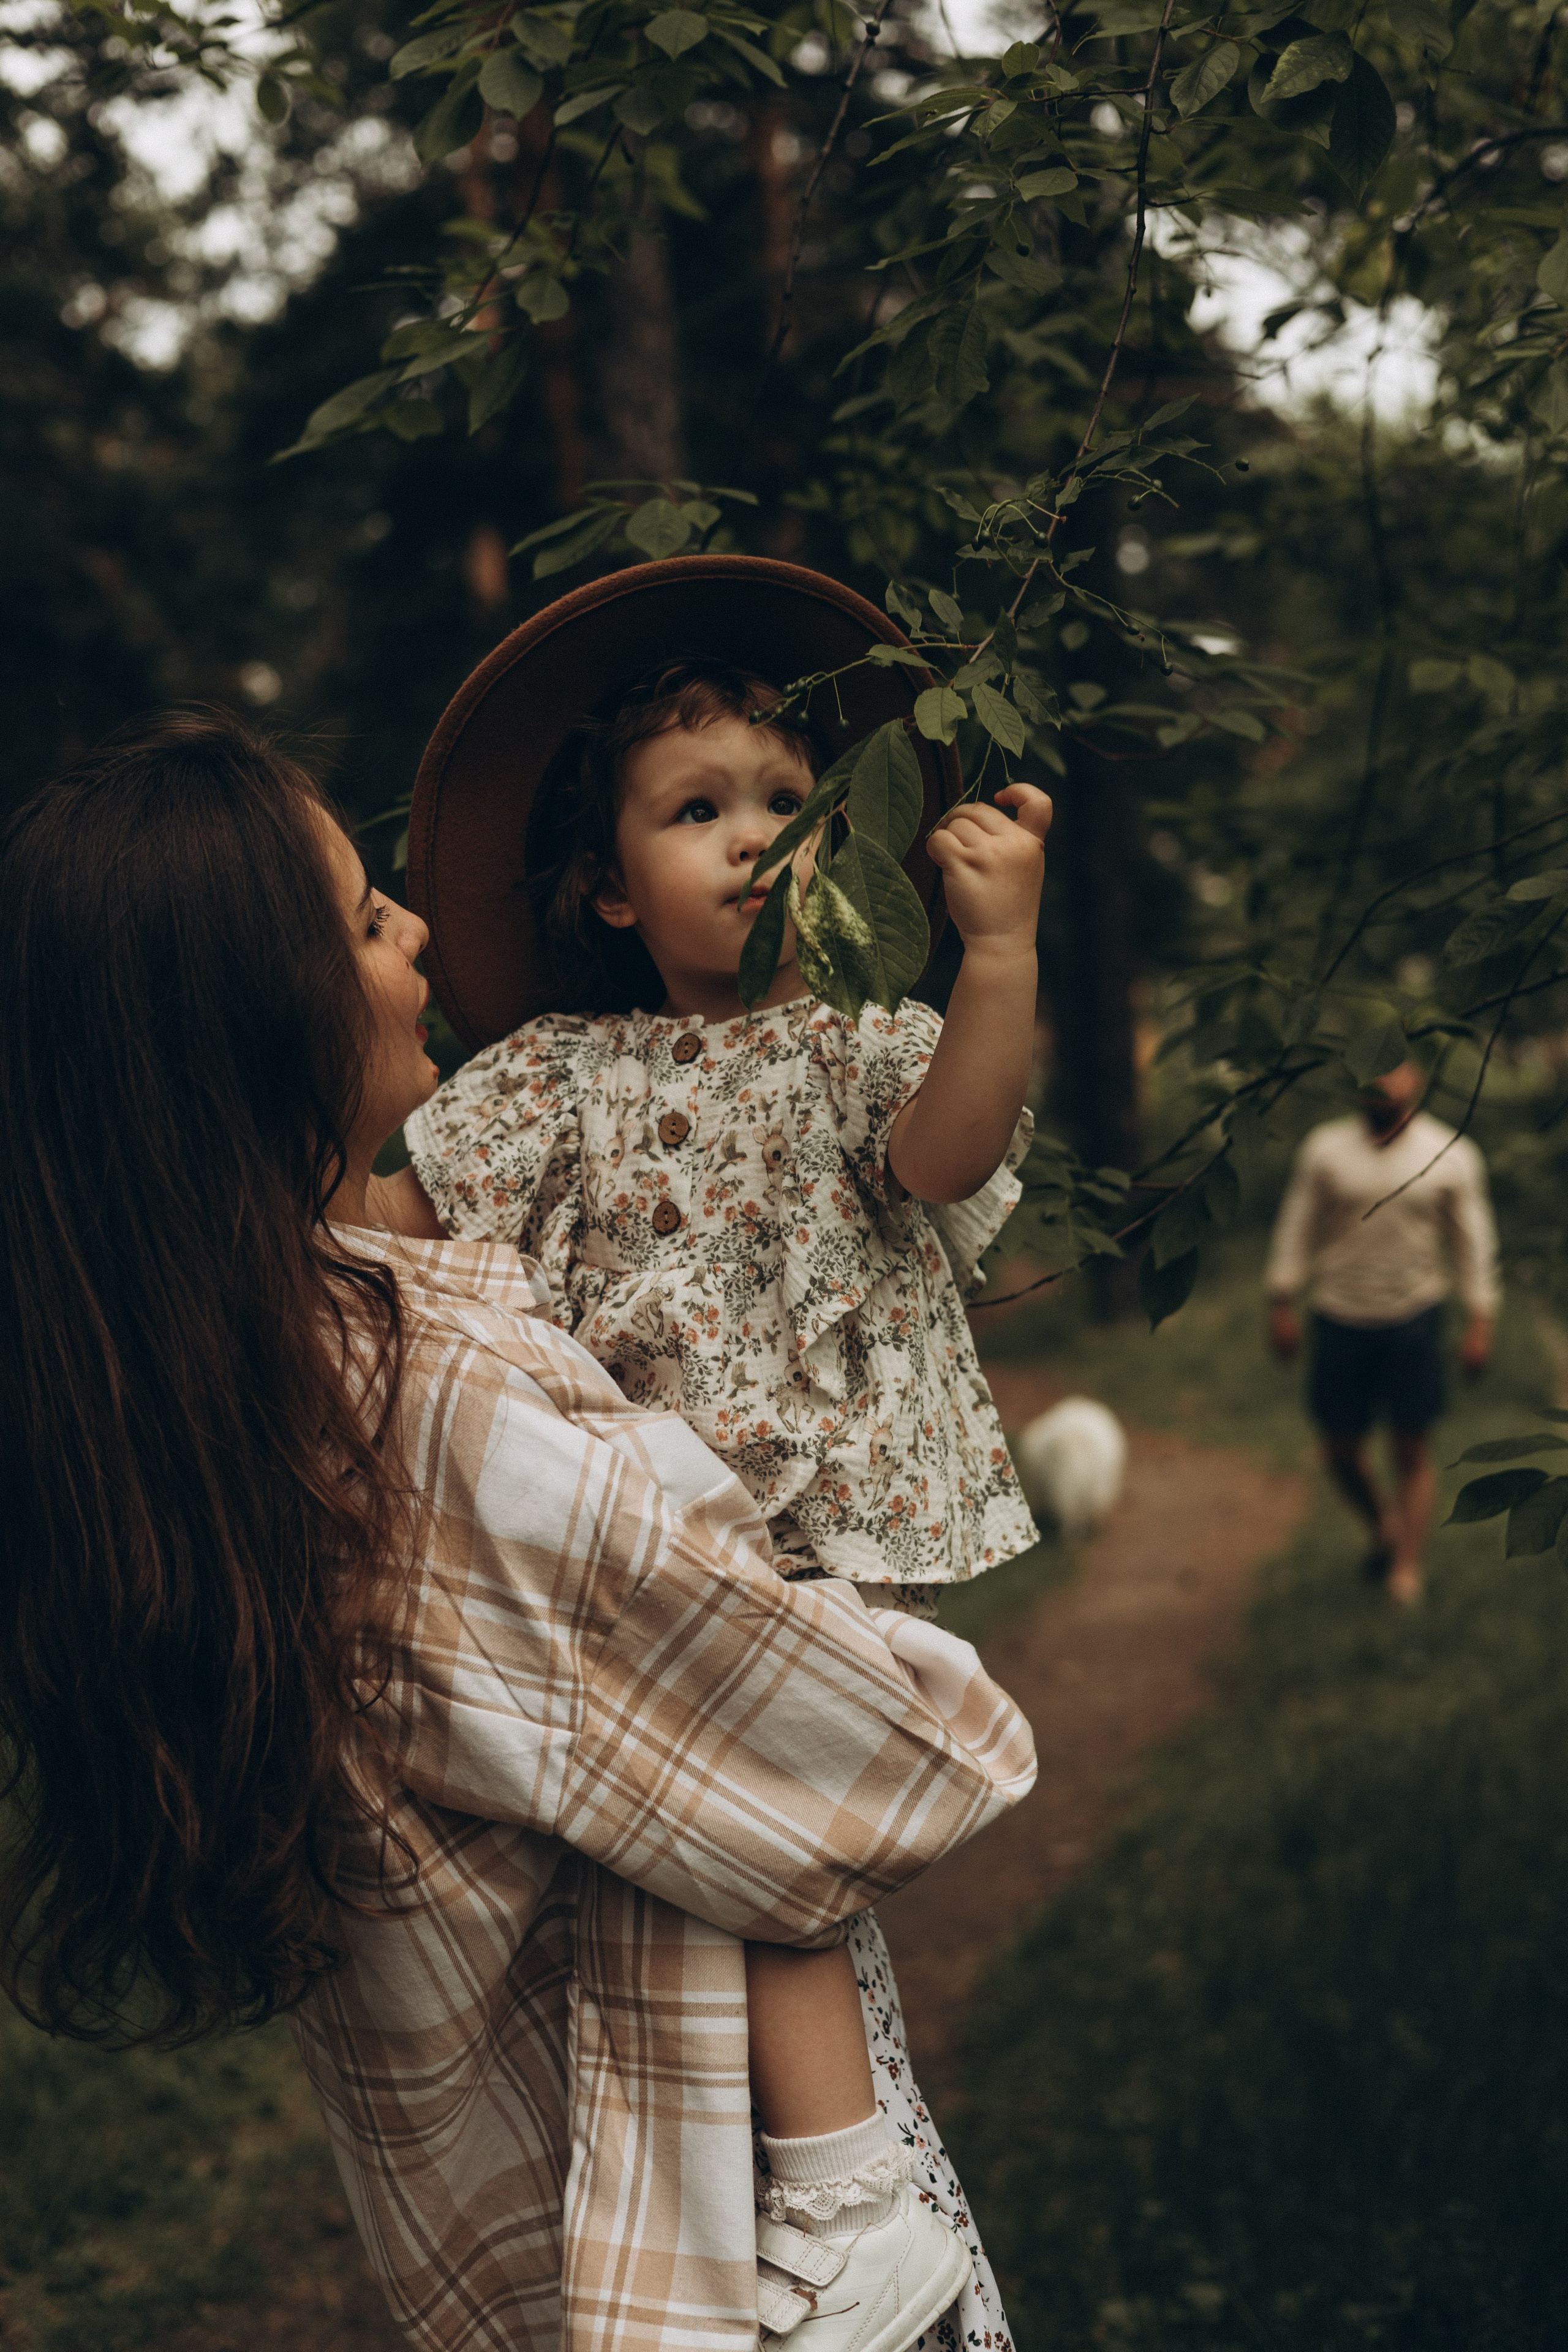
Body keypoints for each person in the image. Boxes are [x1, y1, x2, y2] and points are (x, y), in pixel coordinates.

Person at [0, 711, 1036, 2352]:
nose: (414, 926)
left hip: (507, 2248)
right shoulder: (433, 1410)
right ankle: (861, 2197)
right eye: (360, 919)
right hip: (716, 2251)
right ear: (254, 1022)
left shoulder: (210, 1408)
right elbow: (899, 1751)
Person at [374, 557, 1050, 2349]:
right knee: (676, 1861)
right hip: (647, 1537)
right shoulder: (558, 1078)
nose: (754, 839)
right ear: (607, 882)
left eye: (785, 805)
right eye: (697, 811)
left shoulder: (850, 1057)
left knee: (751, 1830)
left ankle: (839, 2187)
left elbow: (950, 1153)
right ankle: (777, 2191)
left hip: (812, 1520)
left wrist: (997, 949)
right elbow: (400, 1205)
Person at [1265, 1060, 1500, 1606]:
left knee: (1410, 1445)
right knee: (1340, 1450)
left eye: (1392, 1069)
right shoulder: (1324, 1150)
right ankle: (1382, 1523)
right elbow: (1296, 1226)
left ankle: (1406, 1568)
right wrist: (1281, 1300)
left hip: (1415, 1317)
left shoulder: (1450, 1154)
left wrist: (1480, 1320)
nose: (1379, 1083)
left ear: (1415, 1077)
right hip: (1339, 1314)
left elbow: (1475, 1243)